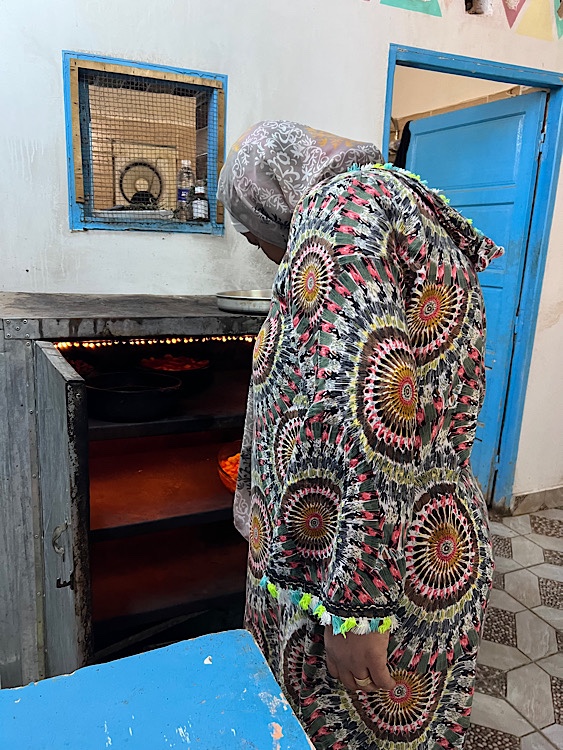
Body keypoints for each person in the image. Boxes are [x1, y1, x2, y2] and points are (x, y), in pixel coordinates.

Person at [218, 120, 500, 750]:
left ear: (270, 195)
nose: (260, 248)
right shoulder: (391, 200)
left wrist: (357, 609)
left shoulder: (339, 214)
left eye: (252, 231)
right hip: (426, 541)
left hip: (368, 578)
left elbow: (374, 415)